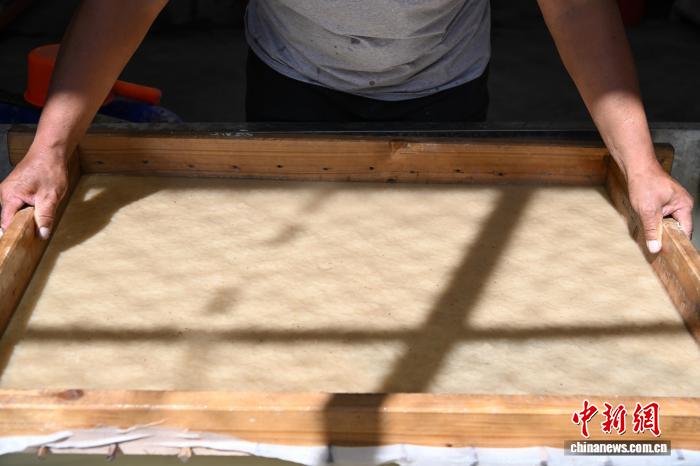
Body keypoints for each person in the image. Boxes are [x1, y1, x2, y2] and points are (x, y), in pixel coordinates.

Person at [0, 0, 693, 254]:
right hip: (292, 74)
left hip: (441, 81)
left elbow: (576, 12)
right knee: (284, 256)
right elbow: (125, 6)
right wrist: (50, 149)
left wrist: (639, 165)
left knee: (430, 256)